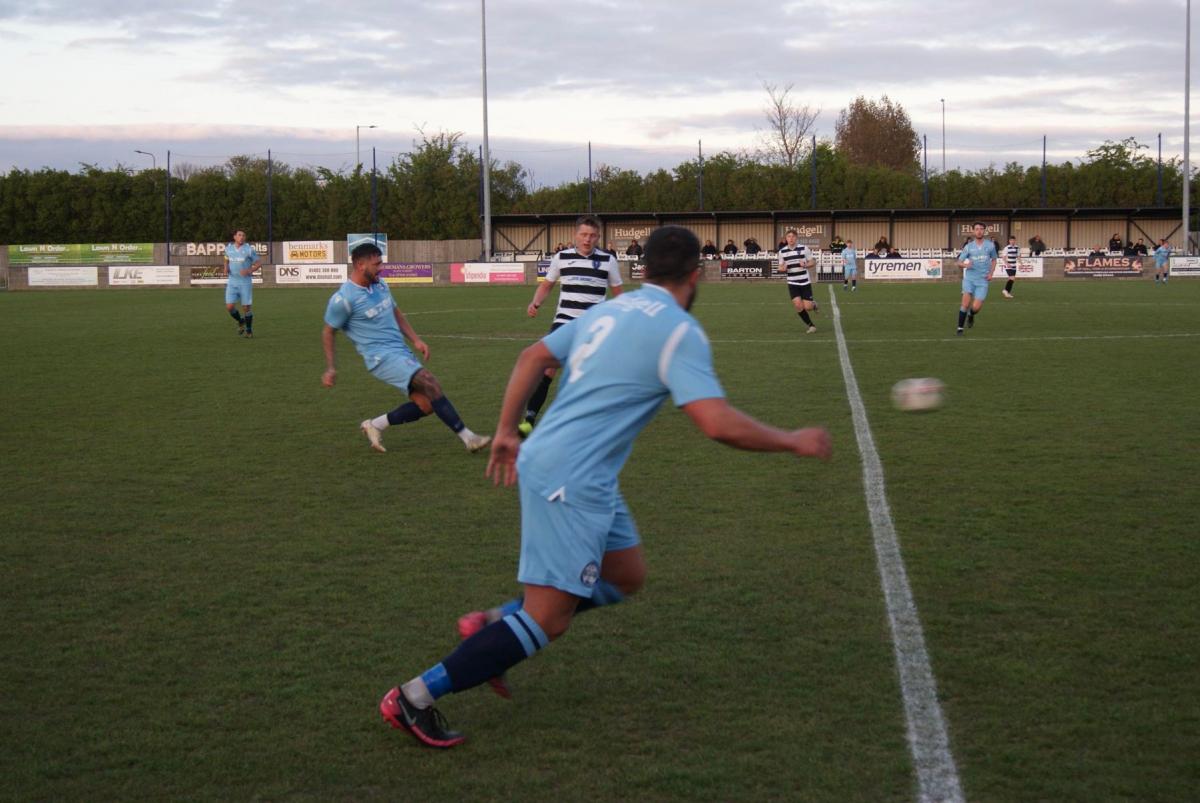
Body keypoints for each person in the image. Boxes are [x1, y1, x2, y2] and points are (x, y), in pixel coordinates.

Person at [377, 225, 833, 749]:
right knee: (550, 620)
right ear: (696, 274)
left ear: (644, 269)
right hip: (570, 476)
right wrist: (792, 440)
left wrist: (505, 430)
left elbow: (532, 357)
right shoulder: (678, 330)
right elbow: (716, 423)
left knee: (626, 574)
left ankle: (495, 624)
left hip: (577, 470)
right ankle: (414, 697)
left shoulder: (612, 310)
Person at [321, 242, 491, 454]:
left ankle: (374, 425)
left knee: (426, 405)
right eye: (377, 264)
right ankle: (469, 438)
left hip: (399, 351)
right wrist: (331, 368)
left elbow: (395, 312)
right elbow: (328, 331)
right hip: (380, 358)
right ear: (360, 265)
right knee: (429, 381)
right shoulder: (343, 300)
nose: (381, 268)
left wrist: (416, 339)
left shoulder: (380, 285)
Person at [522, 215, 624, 435]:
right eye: (584, 234)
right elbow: (547, 285)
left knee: (593, 372)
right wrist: (535, 302)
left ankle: (598, 418)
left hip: (594, 325)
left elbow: (619, 294)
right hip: (564, 321)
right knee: (548, 368)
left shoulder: (608, 260)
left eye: (592, 235)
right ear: (575, 235)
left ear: (598, 237)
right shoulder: (561, 257)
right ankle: (530, 418)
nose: (587, 239)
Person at [955, 222, 997, 335]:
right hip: (969, 279)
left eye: (981, 229)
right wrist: (965, 265)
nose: (979, 231)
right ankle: (960, 328)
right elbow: (959, 262)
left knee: (976, 307)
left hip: (983, 280)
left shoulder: (990, 245)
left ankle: (971, 314)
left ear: (984, 231)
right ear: (973, 231)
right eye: (977, 229)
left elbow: (994, 260)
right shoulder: (968, 247)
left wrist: (991, 273)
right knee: (965, 304)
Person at [778, 229, 818, 333]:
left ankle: (813, 304)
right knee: (798, 305)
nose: (791, 238)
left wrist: (805, 265)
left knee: (808, 307)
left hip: (805, 282)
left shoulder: (804, 248)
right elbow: (780, 267)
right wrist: (783, 268)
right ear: (786, 239)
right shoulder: (782, 252)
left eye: (793, 236)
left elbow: (813, 262)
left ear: (796, 238)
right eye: (789, 237)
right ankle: (811, 326)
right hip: (792, 282)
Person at [224, 230, 262, 338]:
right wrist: (226, 267)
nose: (242, 237)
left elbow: (258, 263)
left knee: (246, 308)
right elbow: (226, 258)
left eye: (243, 235)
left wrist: (249, 270)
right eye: (239, 235)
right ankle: (240, 321)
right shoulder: (228, 249)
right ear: (234, 237)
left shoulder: (249, 249)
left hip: (245, 283)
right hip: (232, 282)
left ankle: (249, 331)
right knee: (229, 307)